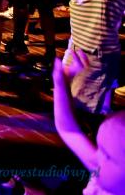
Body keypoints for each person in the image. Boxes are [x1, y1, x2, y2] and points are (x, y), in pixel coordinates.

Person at [53, 52, 125, 194]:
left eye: (107, 155)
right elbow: (69, 131)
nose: (96, 156)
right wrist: (61, 82)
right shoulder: (103, 173)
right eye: (99, 148)